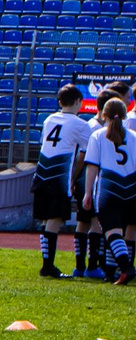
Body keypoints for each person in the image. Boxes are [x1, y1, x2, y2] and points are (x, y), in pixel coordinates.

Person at [34, 83, 90, 279]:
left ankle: (46, 264)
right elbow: (84, 153)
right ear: (78, 102)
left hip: (41, 174)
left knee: (45, 220)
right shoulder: (80, 124)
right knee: (54, 220)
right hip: (59, 176)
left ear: (59, 102)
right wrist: (75, 177)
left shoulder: (49, 119)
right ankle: (48, 266)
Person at [82, 96, 135, 286]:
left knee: (112, 232)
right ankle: (118, 272)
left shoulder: (98, 136)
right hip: (131, 189)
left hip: (109, 189)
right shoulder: (134, 136)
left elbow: (92, 167)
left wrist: (88, 193)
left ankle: (126, 267)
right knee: (129, 231)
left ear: (104, 115)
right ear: (125, 114)